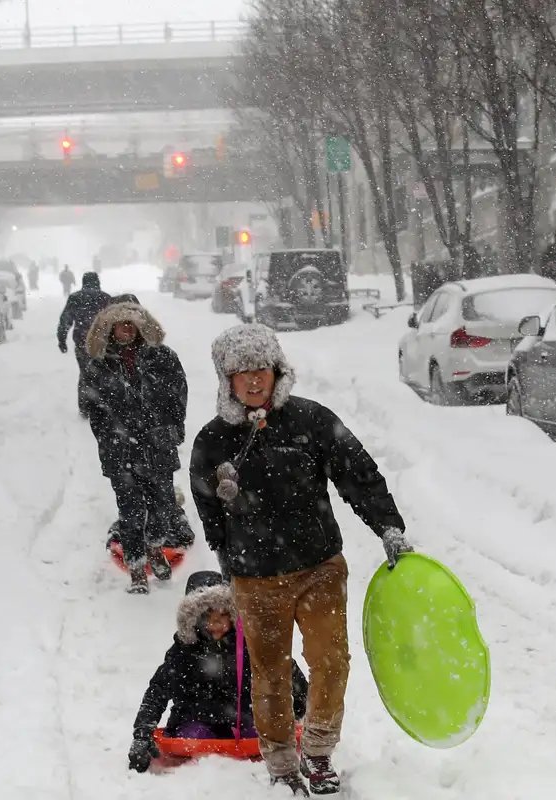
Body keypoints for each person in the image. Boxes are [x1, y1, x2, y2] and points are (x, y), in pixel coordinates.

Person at [189, 324, 413, 796]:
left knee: (332, 662)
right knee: (270, 673)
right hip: (255, 578)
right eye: (241, 373)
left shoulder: (311, 421)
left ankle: (317, 750)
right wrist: (225, 555)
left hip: (319, 567)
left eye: (261, 370)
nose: (254, 381)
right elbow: (206, 502)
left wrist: (388, 527)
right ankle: (280, 762)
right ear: (227, 380)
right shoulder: (213, 440)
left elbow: (360, 474)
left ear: (277, 371)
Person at [129, 570, 309, 773]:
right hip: (194, 720)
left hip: (245, 719)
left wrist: (304, 707)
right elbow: (158, 690)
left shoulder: (248, 644)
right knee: (194, 738)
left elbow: (284, 668)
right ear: (194, 620)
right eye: (209, 618)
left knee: (263, 734)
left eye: (224, 616)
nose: (218, 625)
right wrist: (142, 734)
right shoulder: (183, 651)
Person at [81, 301, 188, 594]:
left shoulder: (163, 357)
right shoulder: (99, 366)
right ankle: (137, 568)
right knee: (129, 510)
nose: (126, 330)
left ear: (141, 327)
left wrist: (173, 430)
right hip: (121, 452)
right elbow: (94, 409)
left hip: (158, 447)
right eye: (120, 324)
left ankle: (155, 547)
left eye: (131, 324)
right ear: (110, 329)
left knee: (163, 505)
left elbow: (178, 394)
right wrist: (109, 438)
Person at [58, 272, 111, 414]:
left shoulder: (75, 298)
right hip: (102, 343)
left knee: (85, 374)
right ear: (97, 282)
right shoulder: (105, 298)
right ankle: (103, 403)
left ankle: (85, 406)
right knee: (104, 372)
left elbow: (65, 321)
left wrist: (62, 340)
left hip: (83, 343)